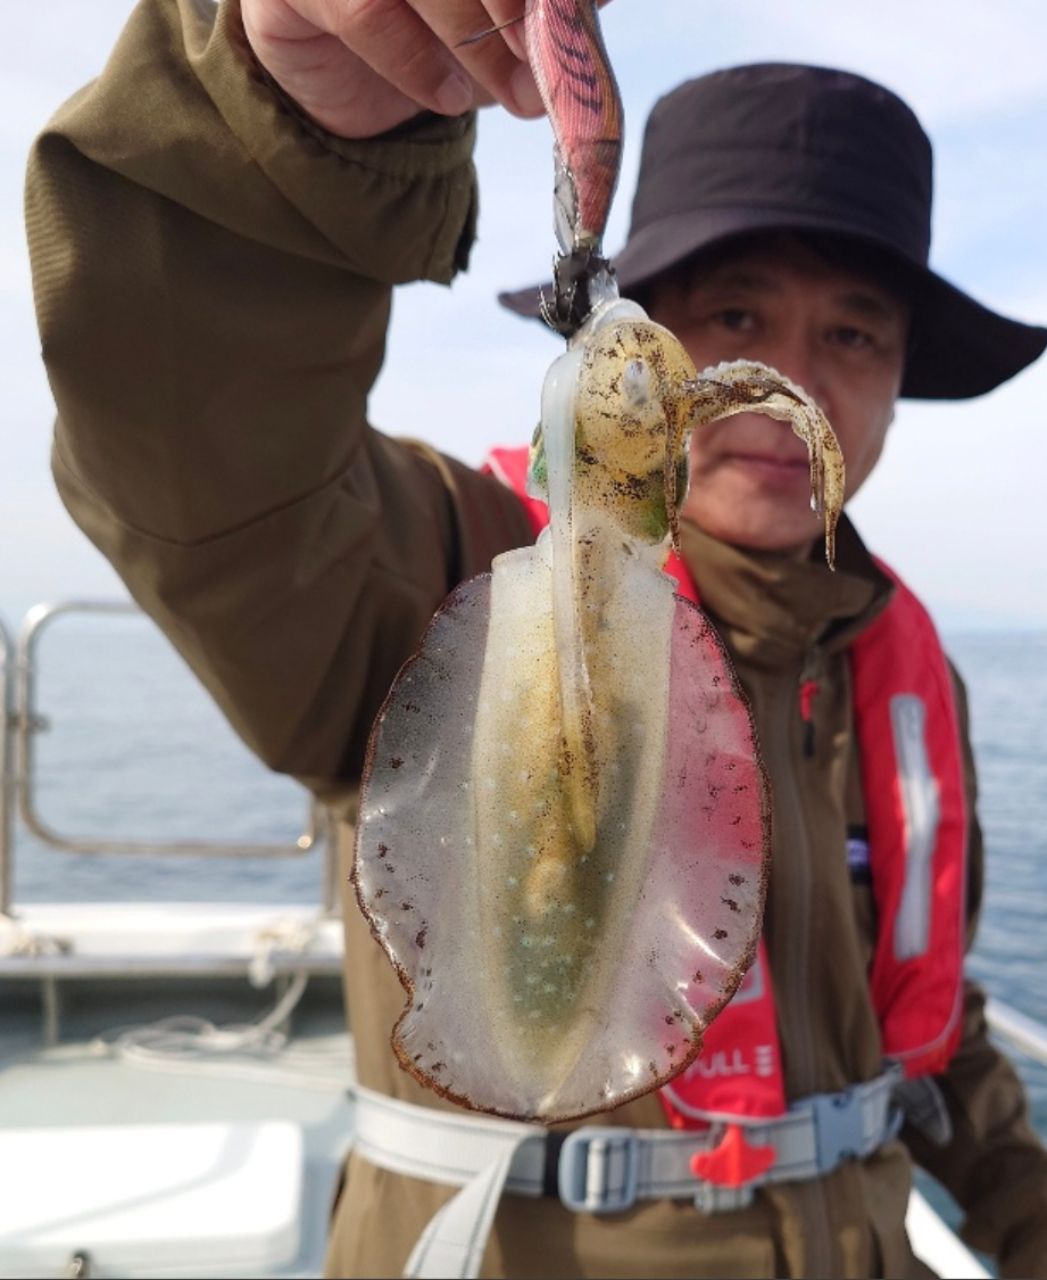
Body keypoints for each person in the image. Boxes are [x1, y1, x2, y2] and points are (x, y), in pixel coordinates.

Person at [24, 1, 1047, 1276]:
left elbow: (935, 1035)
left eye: (851, 333)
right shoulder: (457, 567)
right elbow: (198, 450)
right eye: (735, 317)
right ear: (653, 336)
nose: (795, 381)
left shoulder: (906, 677)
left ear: (895, 379)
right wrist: (275, 124)